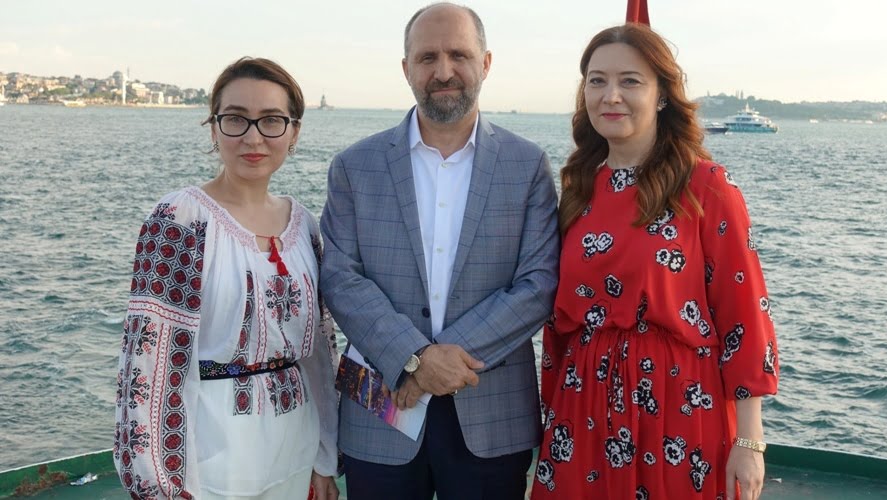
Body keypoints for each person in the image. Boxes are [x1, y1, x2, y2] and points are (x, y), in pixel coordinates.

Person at [319, 3, 560, 499]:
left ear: (485, 63)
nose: (443, 71)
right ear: (406, 68)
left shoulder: (528, 165)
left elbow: (538, 284)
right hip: (380, 408)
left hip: (491, 411)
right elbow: (341, 278)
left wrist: (435, 363)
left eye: (459, 55)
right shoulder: (354, 167)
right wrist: (413, 358)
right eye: (427, 57)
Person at [532, 24, 779, 500]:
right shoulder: (579, 187)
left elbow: (745, 315)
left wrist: (750, 441)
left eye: (630, 81)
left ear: (662, 94)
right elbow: (559, 324)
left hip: (678, 409)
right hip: (583, 408)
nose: (611, 96)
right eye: (597, 81)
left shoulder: (707, 186)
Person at [113, 57, 339, 500]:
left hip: (295, 446)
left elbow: (319, 353)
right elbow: (149, 364)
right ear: (213, 128)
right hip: (210, 456)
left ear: (294, 132)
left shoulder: (305, 227)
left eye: (271, 120)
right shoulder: (180, 219)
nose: (253, 137)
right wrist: (162, 485)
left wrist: (326, 456)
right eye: (236, 119)